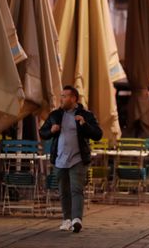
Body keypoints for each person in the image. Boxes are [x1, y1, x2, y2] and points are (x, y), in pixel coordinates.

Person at [39, 85, 103, 233]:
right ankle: (66, 219)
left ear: (74, 98)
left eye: (65, 96)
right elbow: (42, 132)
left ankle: (77, 220)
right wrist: (51, 130)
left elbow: (98, 134)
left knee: (76, 189)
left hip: (78, 159)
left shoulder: (86, 115)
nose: (61, 99)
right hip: (60, 159)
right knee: (63, 191)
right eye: (61, 96)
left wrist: (84, 125)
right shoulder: (55, 115)